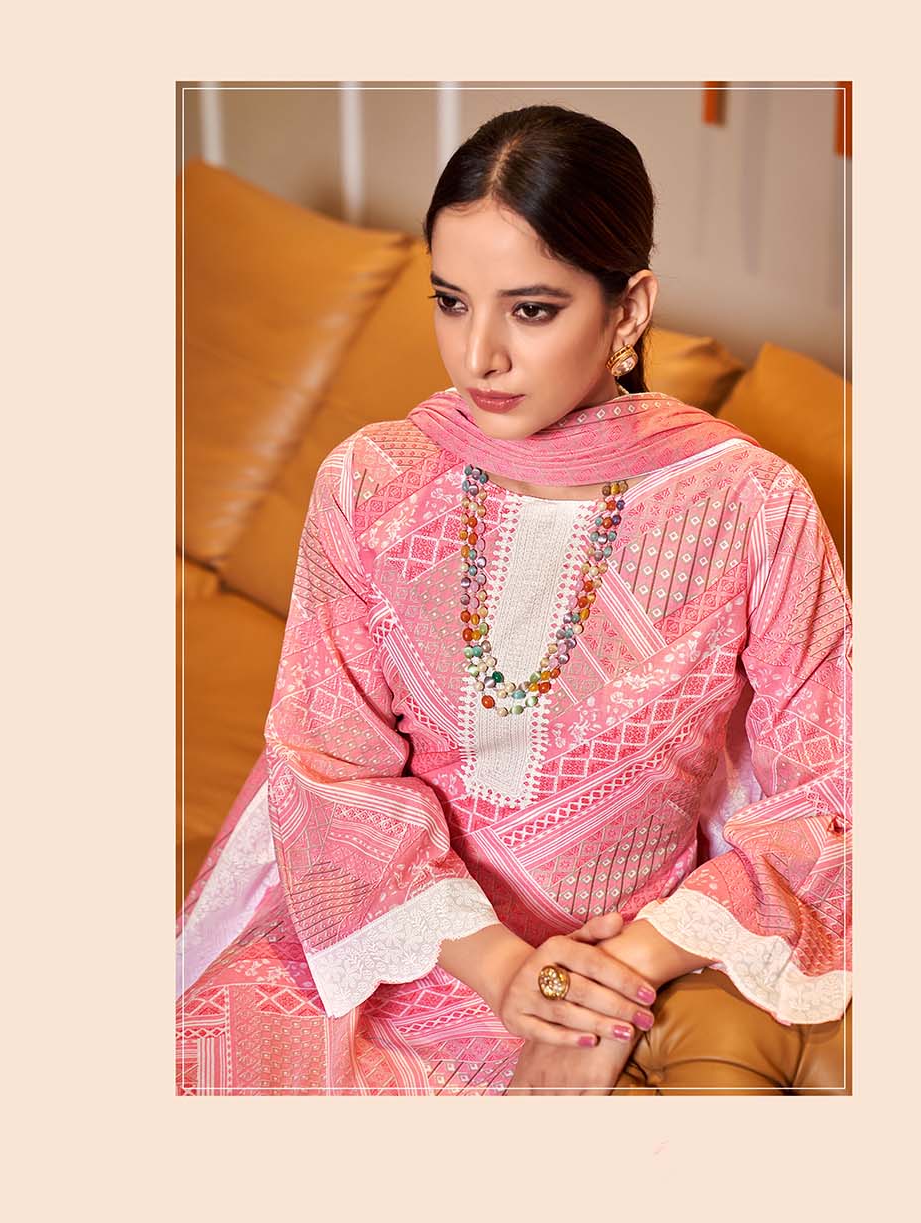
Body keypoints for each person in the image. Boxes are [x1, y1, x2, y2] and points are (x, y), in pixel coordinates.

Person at [176, 105, 851, 1096]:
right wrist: (498, 969)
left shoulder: (749, 505)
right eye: (452, 302)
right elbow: (327, 763)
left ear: (628, 310)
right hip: (396, 938)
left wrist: (614, 977)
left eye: (530, 310)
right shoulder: (373, 483)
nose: (478, 355)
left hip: (607, 957)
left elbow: (838, 787)